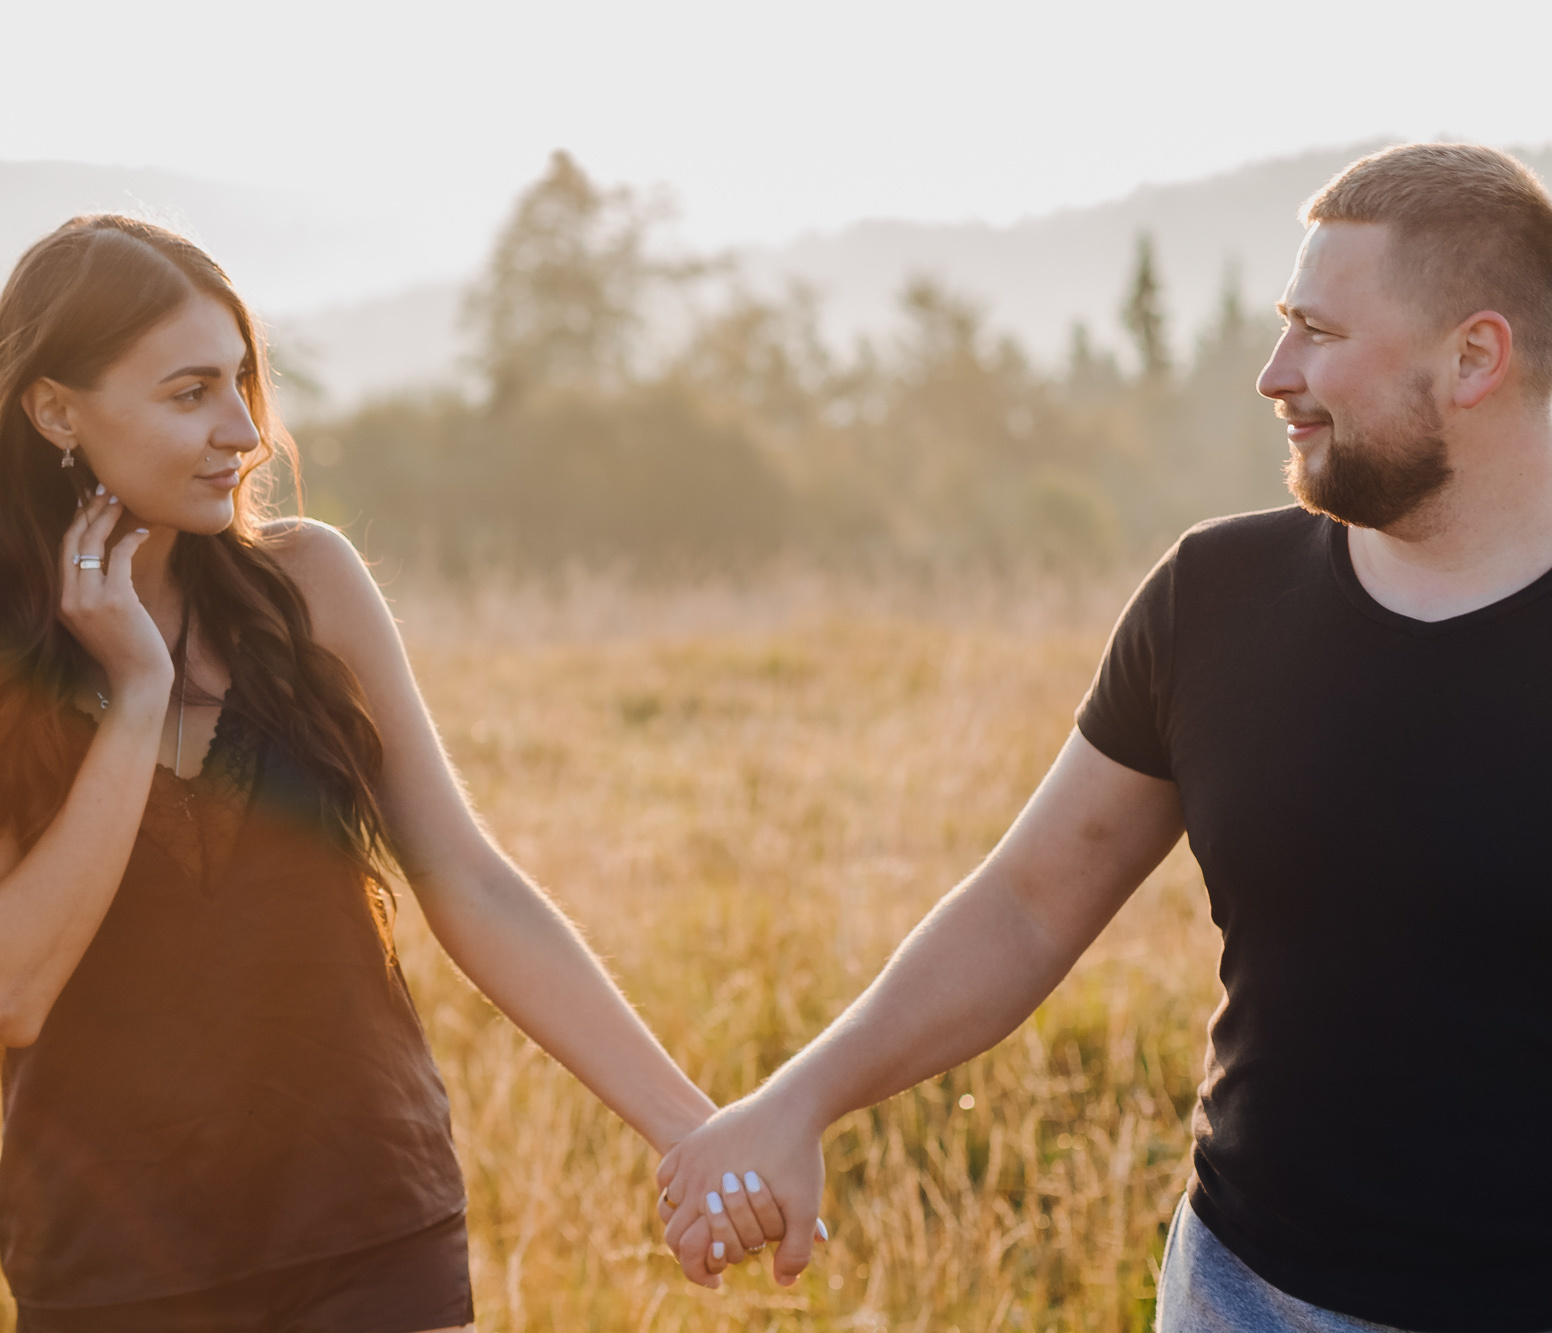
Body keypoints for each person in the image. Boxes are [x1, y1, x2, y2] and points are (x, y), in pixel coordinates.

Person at [655, 142, 1552, 1332]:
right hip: (1236, 1294)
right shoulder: (1212, 597)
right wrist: (796, 1099)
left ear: (1473, 355)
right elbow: (1027, 902)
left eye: (1318, 333)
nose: (1272, 372)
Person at [0, 214, 719, 1332]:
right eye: (188, 394)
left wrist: (693, 1128)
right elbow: (6, 989)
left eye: (241, 383)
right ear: (54, 411)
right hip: (114, 1266)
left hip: (369, 1228)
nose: (242, 431)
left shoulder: (310, 587)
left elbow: (467, 880)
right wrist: (133, 694)